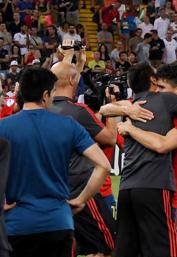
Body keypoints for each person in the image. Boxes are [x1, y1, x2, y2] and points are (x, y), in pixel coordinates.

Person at [99, 62, 177, 257]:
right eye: (156, 86)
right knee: (156, 249)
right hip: (151, 186)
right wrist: (128, 110)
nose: (157, 91)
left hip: (149, 190)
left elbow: (163, 144)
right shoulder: (151, 103)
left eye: (161, 87)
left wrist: (131, 127)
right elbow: (104, 109)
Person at [0, 67, 110, 257]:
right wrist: (81, 200)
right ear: (45, 95)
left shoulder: (3, 127)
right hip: (57, 221)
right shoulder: (68, 125)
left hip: (16, 224)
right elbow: (104, 165)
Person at [50, 58, 117, 257]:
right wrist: (112, 106)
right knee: (110, 245)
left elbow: (68, 75)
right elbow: (111, 138)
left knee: (83, 248)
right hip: (82, 193)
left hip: (54, 191)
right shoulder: (77, 112)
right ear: (72, 81)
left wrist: (74, 62)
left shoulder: (43, 110)